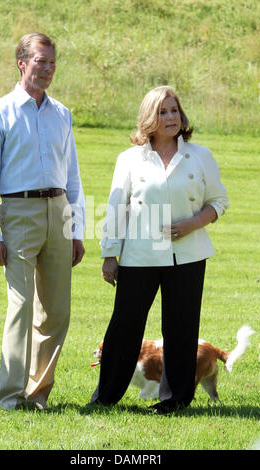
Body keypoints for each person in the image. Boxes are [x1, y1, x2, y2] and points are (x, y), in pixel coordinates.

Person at [90, 86, 229, 413]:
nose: (171, 117)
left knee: (181, 328)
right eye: (163, 111)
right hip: (138, 255)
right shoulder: (128, 159)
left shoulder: (201, 156)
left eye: (174, 110)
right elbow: (116, 208)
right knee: (124, 326)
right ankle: (105, 397)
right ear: (149, 118)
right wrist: (110, 255)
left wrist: (193, 223)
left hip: (189, 255)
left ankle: (176, 400)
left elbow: (219, 201)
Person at [0, 33, 85, 411]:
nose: (48, 68)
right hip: (18, 213)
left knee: (57, 311)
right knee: (21, 308)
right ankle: (9, 397)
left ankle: (38, 394)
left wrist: (78, 230)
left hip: (59, 212)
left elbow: (72, 177)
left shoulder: (62, 114)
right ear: (21, 63)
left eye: (52, 62)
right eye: (41, 61)